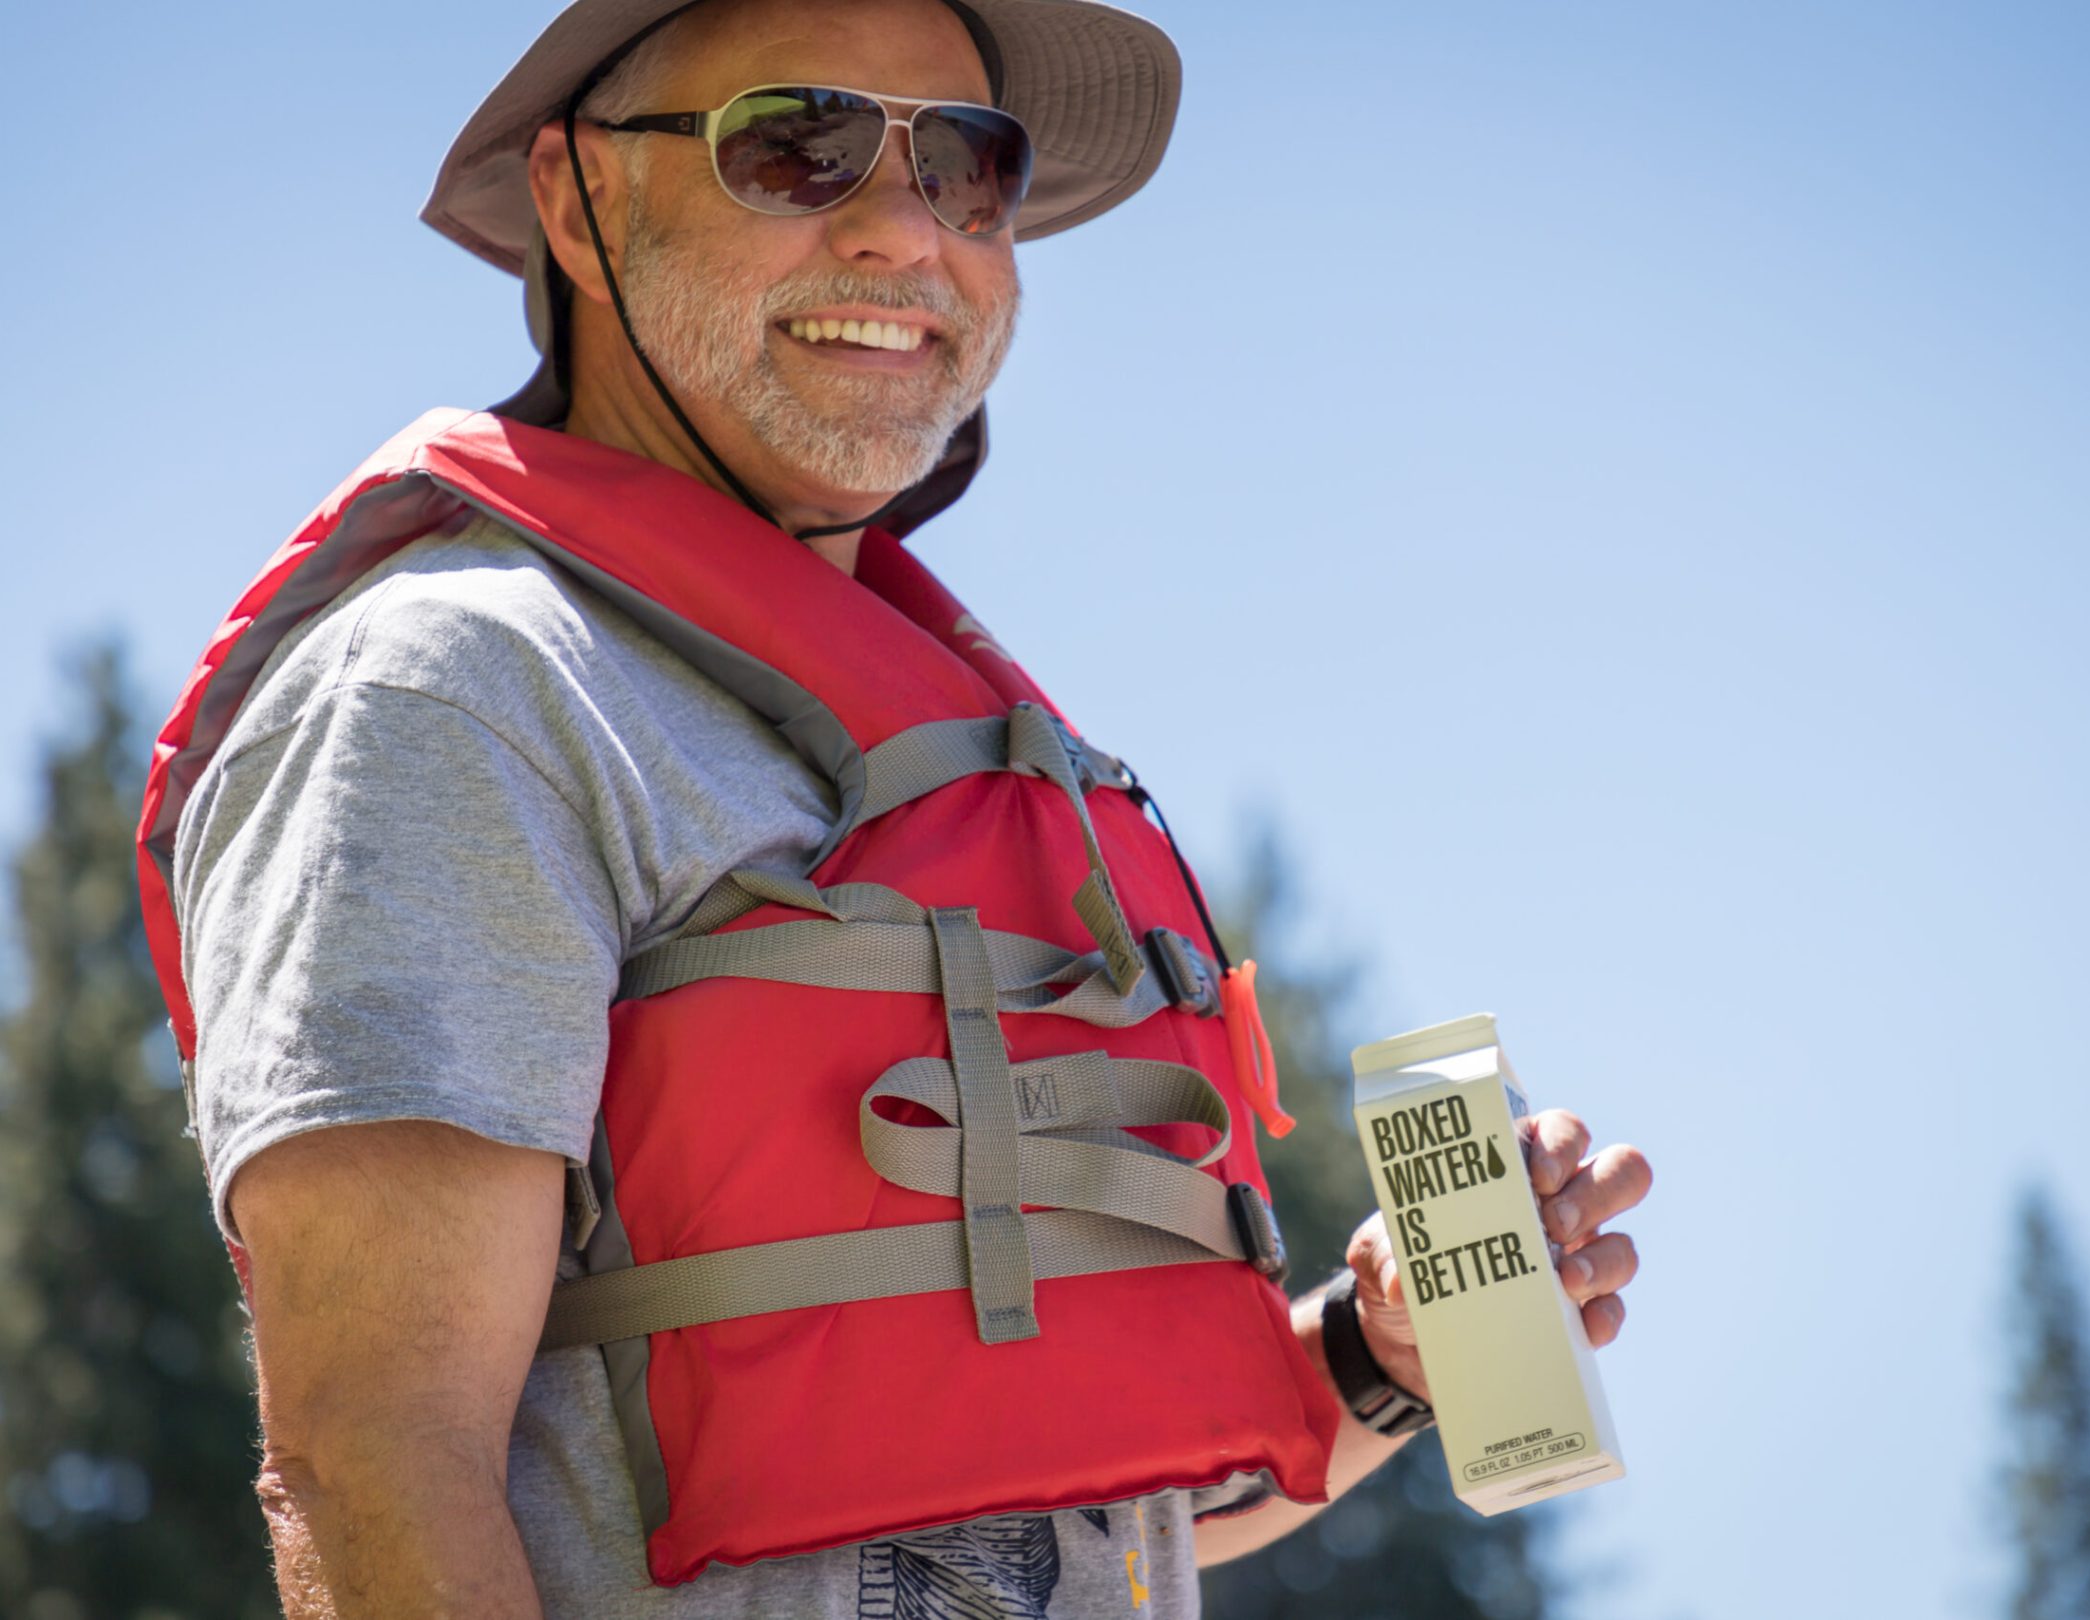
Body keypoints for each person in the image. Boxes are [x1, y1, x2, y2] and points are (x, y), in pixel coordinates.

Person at [136, 0, 1653, 1614]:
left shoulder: (1001, 767)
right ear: (578, 202)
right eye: (797, 146)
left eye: (969, 168)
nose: (904, 231)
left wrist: (1379, 1354)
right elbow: (376, 1455)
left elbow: (1028, 1509)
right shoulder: (459, 691)